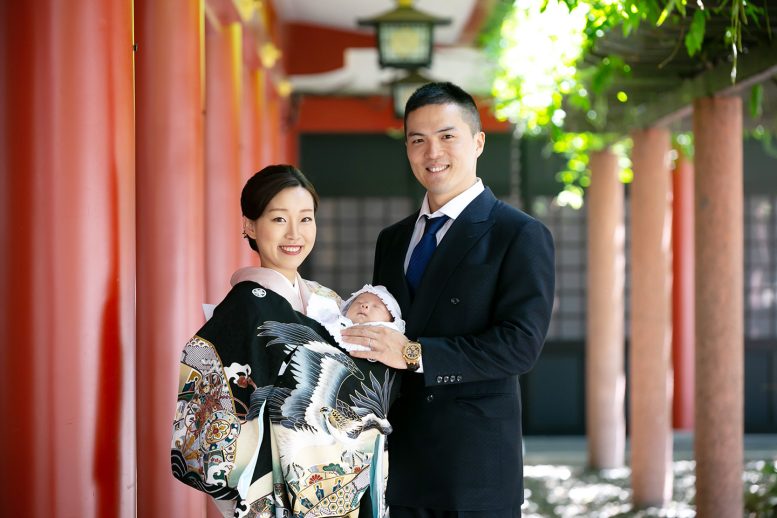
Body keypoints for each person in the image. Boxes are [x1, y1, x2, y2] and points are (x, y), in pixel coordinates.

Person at [342, 82, 555, 517]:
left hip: (474, 462)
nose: (431, 151)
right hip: (399, 455)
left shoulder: (517, 234)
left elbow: (520, 346)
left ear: (478, 142)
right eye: (417, 140)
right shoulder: (393, 239)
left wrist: (413, 353)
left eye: (446, 136)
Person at [171, 165, 397, 518]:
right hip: (277, 496)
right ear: (250, 225)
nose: (295, 233)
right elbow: (210, 416)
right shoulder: (243, 309)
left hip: (347, 494)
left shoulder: (330, 301)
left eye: (306, 219)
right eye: (279, 219)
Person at [307, 284, 406, 352]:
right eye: (359, 302)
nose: (364, 305)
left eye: (376, 306)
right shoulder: (333, 321)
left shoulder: (390, 344)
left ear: (391, 320)